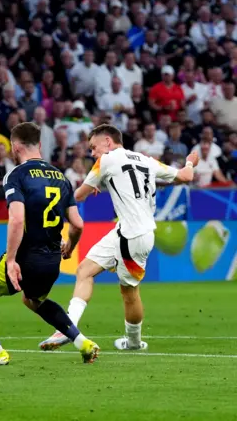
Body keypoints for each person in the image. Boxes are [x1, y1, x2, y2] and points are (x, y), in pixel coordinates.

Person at [39, 124, 199, 352]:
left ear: (108, 141)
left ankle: (132, 342)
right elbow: (185, 175)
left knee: (129, 292)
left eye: (93, 148)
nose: (92, 153)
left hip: (131, 235)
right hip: (130, 231)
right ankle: (68, 328)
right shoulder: (147, 160)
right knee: (84, 270)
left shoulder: (106, 160)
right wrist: (191, 160)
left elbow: (78, 196)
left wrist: (86, 189)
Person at [0, 122, 100, 367]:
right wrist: (70, 246)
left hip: (26, 259)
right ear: (40, 145)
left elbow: (16, 218)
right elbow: (77, 224)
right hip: (52, 260)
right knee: (32, 299)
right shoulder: (61, 177)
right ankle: (82, 342)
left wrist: (12, 260)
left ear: (14, 147)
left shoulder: (16, 175)